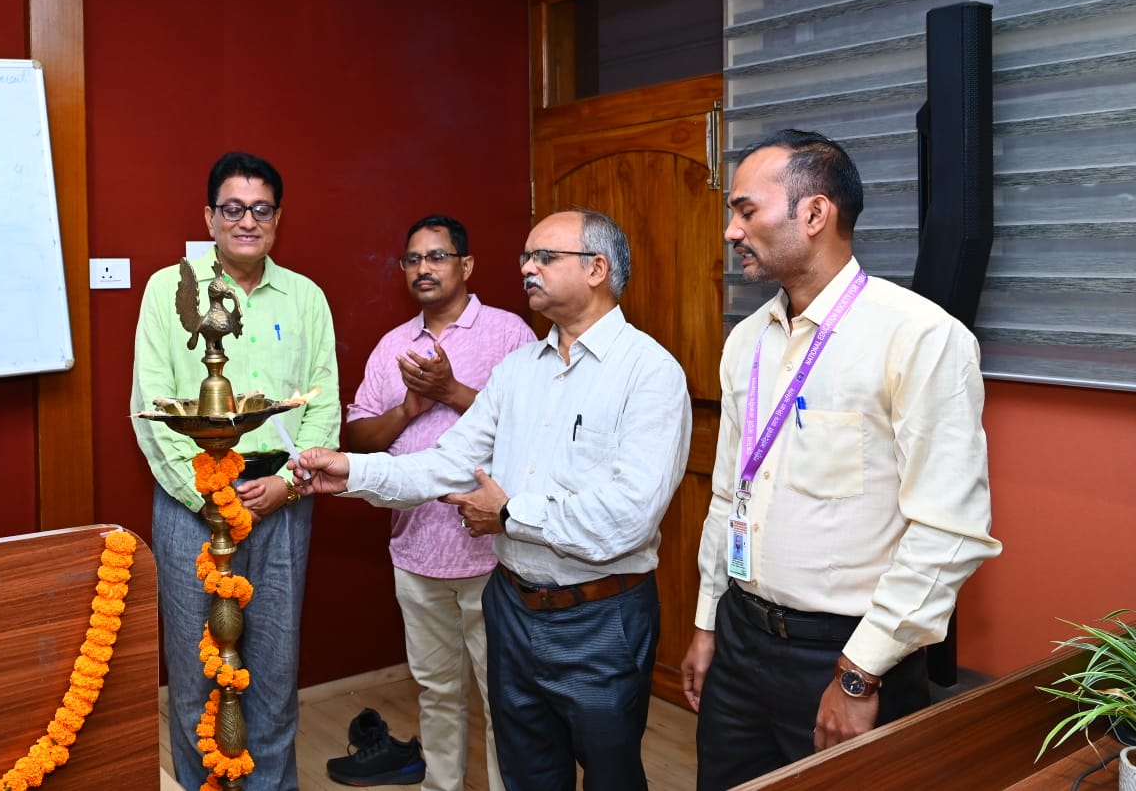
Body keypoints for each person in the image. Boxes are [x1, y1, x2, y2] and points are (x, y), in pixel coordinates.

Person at [296, 208, 691, 791]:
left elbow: (627, 519)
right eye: (526, 257)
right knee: (528, 771)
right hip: (512, 605)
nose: (527, 268)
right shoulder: (517, 371)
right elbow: (445, 462)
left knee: (611, 775)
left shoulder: (650, 372)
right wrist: (349, 471)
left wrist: (508, 515)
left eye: (544, 257)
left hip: (600, 617)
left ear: (597, 269)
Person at [679, 128, 1002, 790]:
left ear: (815, 213)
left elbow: (950, 529)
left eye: (746, 211)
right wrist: (708, 623)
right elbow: (728, 494)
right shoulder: (746, 341)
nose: (732, 231)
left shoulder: (919, 336)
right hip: (741, 636)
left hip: (846, 654)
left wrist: (859, 673)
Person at [130, 150, 340, 791]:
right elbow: (151, 405)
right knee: (197, 675)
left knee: (273, 672)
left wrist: (290, 484)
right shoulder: (169, 289)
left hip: (280, 496)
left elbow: (324, 401)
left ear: (277, 218)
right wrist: (208, 497)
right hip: (192, 502)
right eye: (233, 209)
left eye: (261, 210)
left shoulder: (305, 297)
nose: (247, 221)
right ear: (209, 217)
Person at [341, 215, 535, 791]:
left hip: (493, 555)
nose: (423, 269)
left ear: (466, 265)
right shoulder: (392, 346)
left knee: (505, 697)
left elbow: (532, 429)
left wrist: (450, 391)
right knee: (437, 690)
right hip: (416, 552)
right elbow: (359, 438)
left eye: (437, 256)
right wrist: (409, 409)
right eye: (413, 259)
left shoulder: (509, 334)